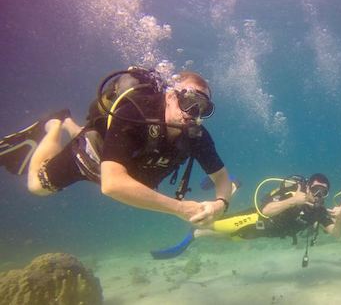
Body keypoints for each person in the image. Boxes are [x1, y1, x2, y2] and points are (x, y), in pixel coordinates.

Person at [0, 66, 232, 226]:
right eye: (190, 103)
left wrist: (220, 205)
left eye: (203, 109)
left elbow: (222, 179)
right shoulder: (135, 111)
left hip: (130, 166)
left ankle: (71, 124)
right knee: (36, 186)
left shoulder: (196, 135)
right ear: (171, 96)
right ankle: (54, 124)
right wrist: (181, 209)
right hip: (94, 157)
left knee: (117, 157)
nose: (194, 114)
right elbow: (112, 184)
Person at [151, 173, 341, 263]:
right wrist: (293, 201)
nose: (319, 195)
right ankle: (232, 185)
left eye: (324, 192)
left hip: (264, 233)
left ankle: (197, 235)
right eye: (315, 190)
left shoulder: (319, 211)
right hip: (254, 219)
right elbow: (265, 211)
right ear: (307, 187)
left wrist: (339, 218)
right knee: (206, 219)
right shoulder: (290, 191)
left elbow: (336, 234)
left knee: (232, 237)